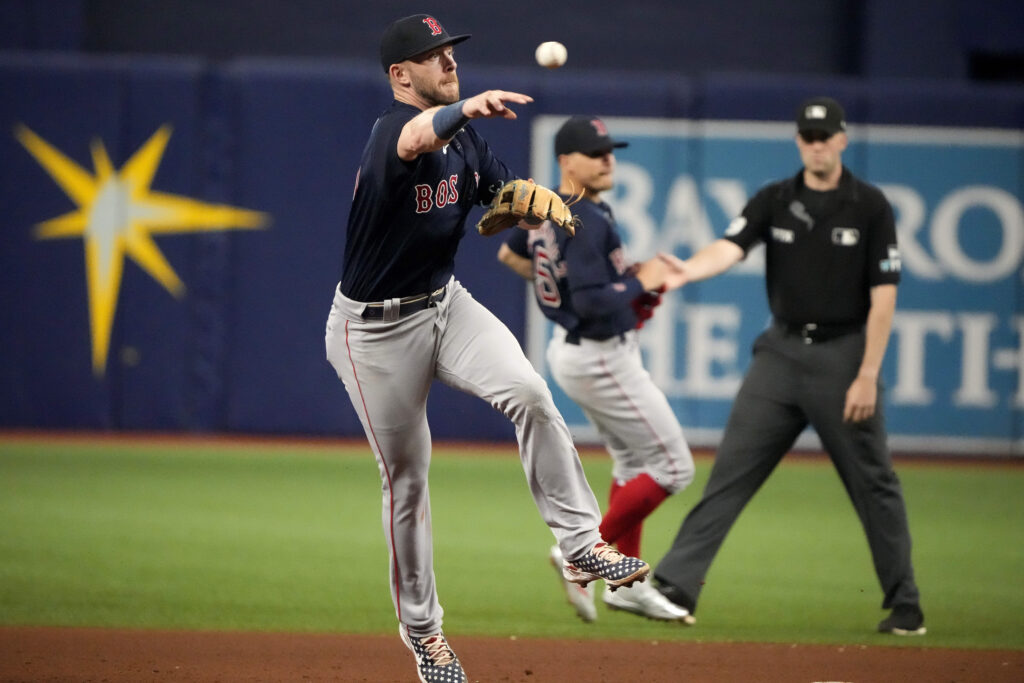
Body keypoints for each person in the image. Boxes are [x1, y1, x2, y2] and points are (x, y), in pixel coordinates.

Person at [324, 15, 651, 682]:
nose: (448, 63)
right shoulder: (393, 131)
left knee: (530, 392)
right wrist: (465, 108)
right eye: (432, 56)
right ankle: (426, 637)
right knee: (409, 481)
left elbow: (499, 198)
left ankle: (581, 542)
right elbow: (418, 136)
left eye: (450, 53)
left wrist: (526, 203)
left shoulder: (465, 137)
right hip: (373, 331)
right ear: (400, 74)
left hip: (445, 306)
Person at [651, 96, 926, 636]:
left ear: (842, 139)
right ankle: (675, 587)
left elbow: (884, 297)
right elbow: (730, 247)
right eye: (808, 136)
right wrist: (688, 272)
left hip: (843, 357)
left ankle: (906, 606)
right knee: (730, 472)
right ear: (799, 141)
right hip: (779, 354)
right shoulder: (775, 199)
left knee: (874, 484)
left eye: (826, 136)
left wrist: (868, 372)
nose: (817, 144)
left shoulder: (869, 205)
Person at [498, 116, 695, 624]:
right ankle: (579, 552)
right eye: (595, 152)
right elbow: (590, 304)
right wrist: (640, 281)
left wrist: (572, 289)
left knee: (633, 466)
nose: (608, 159)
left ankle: (623, 588)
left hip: (578, 351)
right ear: (566, 161)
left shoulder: (550, 208)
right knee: (675, 468)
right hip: (598, 353)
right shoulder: (587, 219)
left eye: (610, 150)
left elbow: (509, 252)